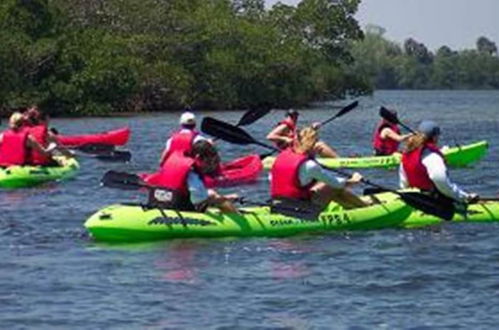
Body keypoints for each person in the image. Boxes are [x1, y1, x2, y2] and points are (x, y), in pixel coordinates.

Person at [270, 126, 368, 210]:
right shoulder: (310, 165)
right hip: (301, 210)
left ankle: (354, 207)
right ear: (313, 144)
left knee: (323, 185)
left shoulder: (280, 157)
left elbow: (271, 178)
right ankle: (364, 208)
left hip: (278, 205)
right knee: (333, 187)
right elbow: (337, 184)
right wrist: (353, 180)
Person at [146, 140, 239, 213]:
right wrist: (226, 198)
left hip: (158, 202)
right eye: (208, 162)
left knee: (210, 194)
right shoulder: (192, 172)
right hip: (177, 207)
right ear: (198, 157)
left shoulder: (176, 159)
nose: (209, 166)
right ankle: (239, 219)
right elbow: (198, 199)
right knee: (213, 195)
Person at [399, 120, 478, 204]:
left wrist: (407, 199)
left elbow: (404, 182)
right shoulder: (432, 157)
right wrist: (463, 197)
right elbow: (441, 181)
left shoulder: (407, 154)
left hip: (415, 199)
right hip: (433, 201)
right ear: (434, 138)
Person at [267, 109, 339, 158]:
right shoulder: (284, 126)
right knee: (319, 145)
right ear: (287, 117)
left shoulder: (292, 127)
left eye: (295, 117)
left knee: (315, 142)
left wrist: (312, 128)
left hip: (296, 150)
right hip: (290, 153)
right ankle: (339, 161)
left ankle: (332, 160)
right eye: (291, 117)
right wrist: (285, 139)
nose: (294, 119)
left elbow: (303, 137)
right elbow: (270, 136)